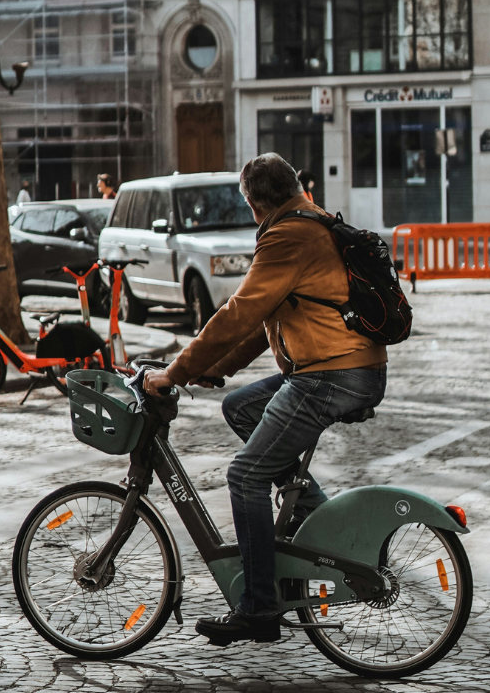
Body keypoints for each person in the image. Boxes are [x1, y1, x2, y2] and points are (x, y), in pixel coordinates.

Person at [142, 153, 386, 645]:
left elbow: (237, 313)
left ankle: (258, 607)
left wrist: (174, 372)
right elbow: (265, 319)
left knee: (245, 475)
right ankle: (313, 515)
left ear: (255, 203)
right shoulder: (312, 221)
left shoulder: (288, 234)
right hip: (345, 367)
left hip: (331, 375)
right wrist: (215, 368)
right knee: (242, 407)